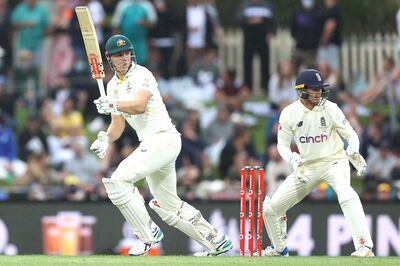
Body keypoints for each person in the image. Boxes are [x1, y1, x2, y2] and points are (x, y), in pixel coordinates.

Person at [89, 34, 233, 256]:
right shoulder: (111, 87)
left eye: (127, 52)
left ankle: (147, 234)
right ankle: (216, 240)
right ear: (109, 58)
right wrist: (105, 138)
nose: (125, 58)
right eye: (119, 55)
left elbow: (139, 105)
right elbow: (117, 125)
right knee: (167, 205)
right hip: (153, 143)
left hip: (163, 138)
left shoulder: (142, 74)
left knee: (117, 181)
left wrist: (113, 103)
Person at [260, 69, 374, 257]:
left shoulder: (330, 108)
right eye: (314, 89)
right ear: (301, 90)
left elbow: (351, 134)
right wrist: (293, 159)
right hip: (307, 167)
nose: (319, 93)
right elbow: (282, 145)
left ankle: (364, 246)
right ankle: (280, 249)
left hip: (334, 161)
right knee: (271, 208)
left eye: (320, 89)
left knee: (346, 193)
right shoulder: (289, 113)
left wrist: (353, 149)